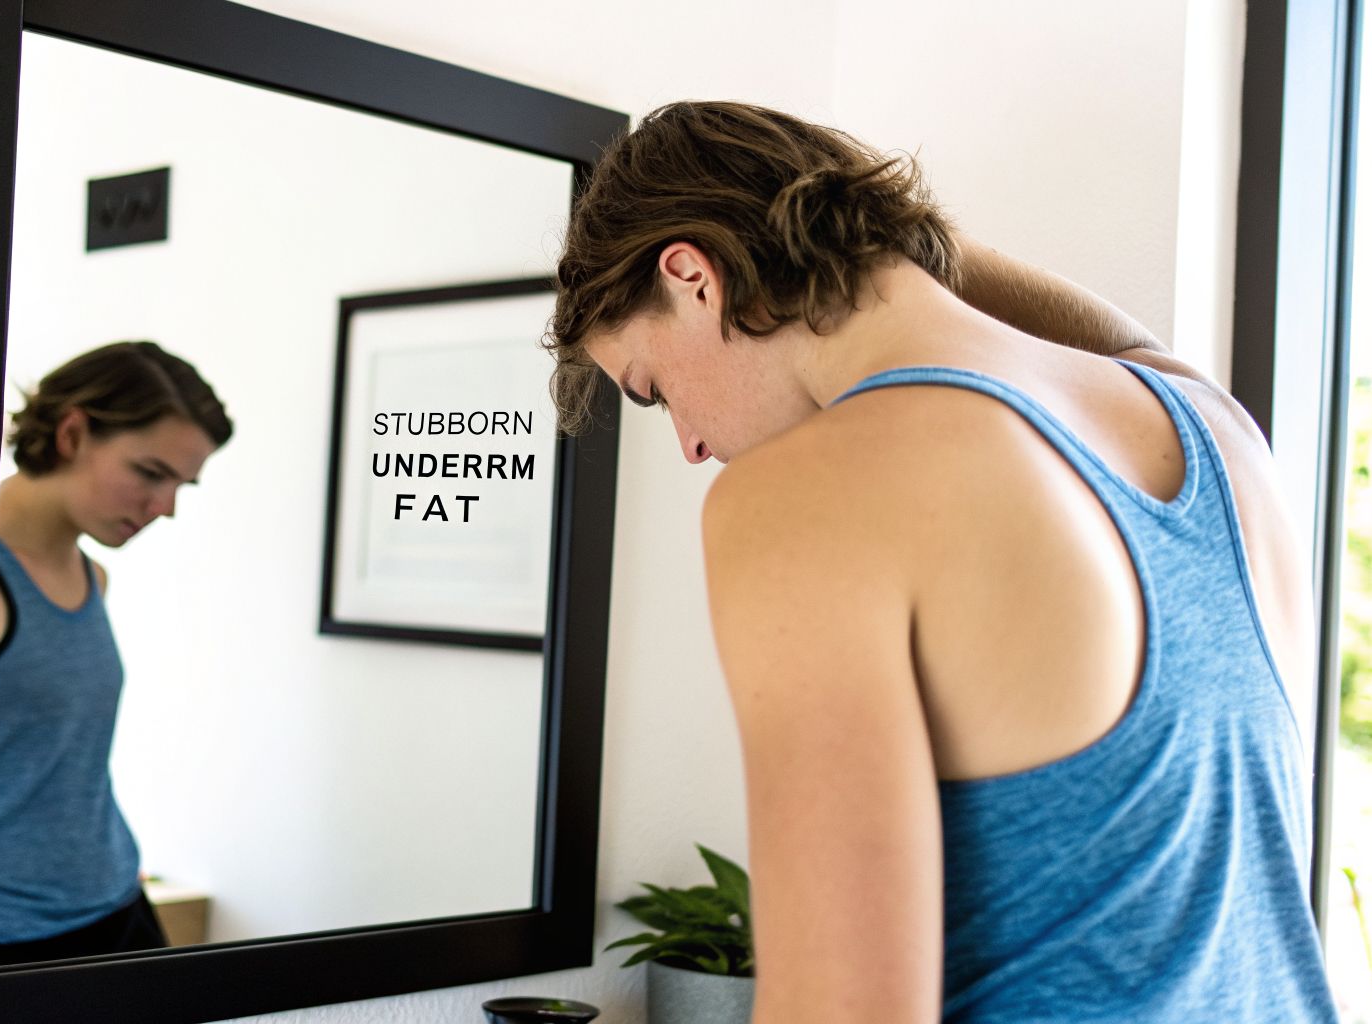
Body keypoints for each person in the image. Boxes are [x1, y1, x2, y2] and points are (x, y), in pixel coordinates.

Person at [548, 101, 1337, 1022]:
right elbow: (1128, 344)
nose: (687, 443)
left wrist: (843, 225)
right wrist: (865, 227)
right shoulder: (1217, 429)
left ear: (691, 276)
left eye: (654, 389)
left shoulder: (810, 495)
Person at [0, 340, 233, 968]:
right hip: (0, 941)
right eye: (150, 472)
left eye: (181, 484)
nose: (166, 506)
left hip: (115, 908)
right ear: (72, 432)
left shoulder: (93, 578)